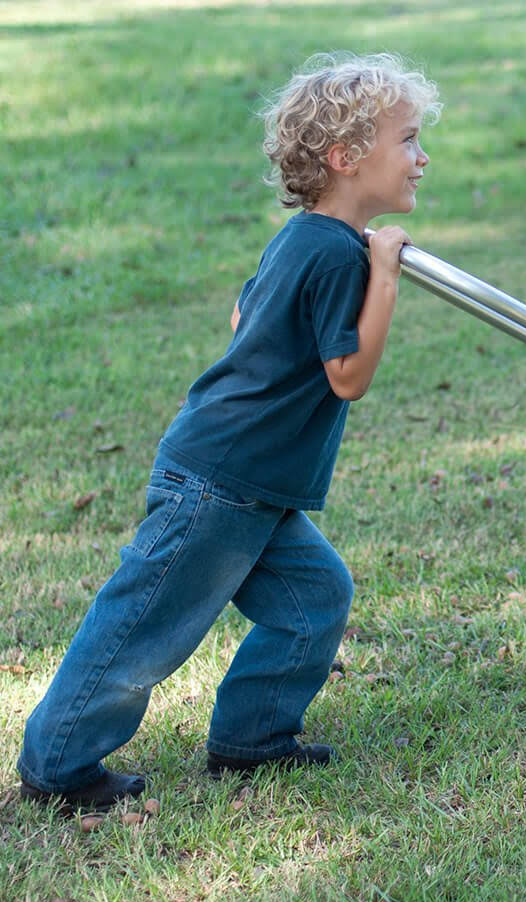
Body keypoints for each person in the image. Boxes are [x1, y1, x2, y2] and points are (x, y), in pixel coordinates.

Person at [17, 52, 441, 813]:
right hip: (220, 483)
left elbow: (243, 316)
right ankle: (57, 764)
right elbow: (348, 375)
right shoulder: (344, 253)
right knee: (142, 626)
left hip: (248, 482)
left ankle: (253, 739)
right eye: (408, 140)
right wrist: (384, 273)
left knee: (315, 596)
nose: (422, 156)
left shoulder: (302, 238)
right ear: (346, 158)